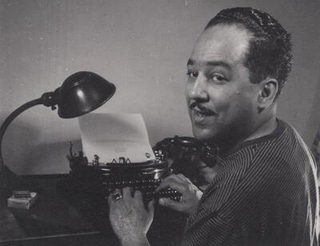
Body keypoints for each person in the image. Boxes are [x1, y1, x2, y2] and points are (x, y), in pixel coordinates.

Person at [107, 7, 319, 246]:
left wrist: (132, 234)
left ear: (265, 93)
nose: (195, 92)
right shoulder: (289, 138)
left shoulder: (234, 190)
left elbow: (236, 200)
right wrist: (204, 205)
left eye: (218, 76)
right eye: (192, 72)